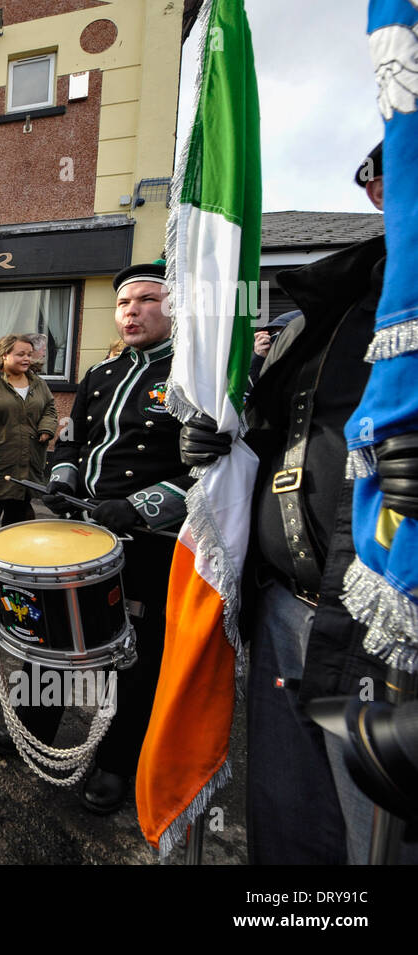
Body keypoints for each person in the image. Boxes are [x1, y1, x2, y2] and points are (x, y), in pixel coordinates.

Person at [187, 142, 415, 864]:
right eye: (391, 167)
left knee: (376, 841)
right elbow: (274, 431)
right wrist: (215, 443)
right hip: (285, 605)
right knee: (287, 823)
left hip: (386, 636)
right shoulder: (333, 304)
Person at [0, 262, 194, 816]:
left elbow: (213, 469)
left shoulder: (194, 373)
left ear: (173, 307)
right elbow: (73, 443)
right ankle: (35, 725)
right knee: (54, 633)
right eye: (125, 303)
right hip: (84, 528)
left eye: (148, 300)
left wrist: (139, 506)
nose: (132, 311)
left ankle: (116, 763)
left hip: (147, 539)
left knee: (131, 655)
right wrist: (60, 481)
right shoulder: (102, 373)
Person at [0, 334, 57, 569]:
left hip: (27, 460)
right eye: (20, 354)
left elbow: (50, 408)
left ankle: (8, 560)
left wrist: (47, 428)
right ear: (4, 355)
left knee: (17, 514)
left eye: (29, 353)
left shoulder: (37, 382)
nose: (27, 358)